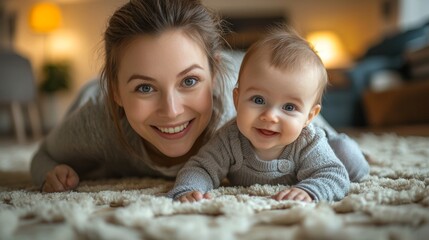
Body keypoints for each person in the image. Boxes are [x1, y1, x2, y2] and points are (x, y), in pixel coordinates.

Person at [30, 0, 368, 193]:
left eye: (189, 81)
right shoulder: (97, 120)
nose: (172, 110)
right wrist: (53, 171)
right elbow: (42, 154)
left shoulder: (255, 99)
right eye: (145, 87)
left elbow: (324, 142)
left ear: (215, 73)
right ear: (117, 91)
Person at [167, 28, 350, 203]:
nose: (270, 116)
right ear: (237, 100)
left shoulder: (308, 140)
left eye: (288, 107)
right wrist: (189, 189)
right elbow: (201, 167)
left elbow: (333, 174)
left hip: (334, 146)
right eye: (258, 100)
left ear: (309, 117)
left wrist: (310, 190)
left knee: (347, 156)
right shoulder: (229, 139)